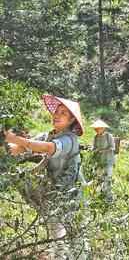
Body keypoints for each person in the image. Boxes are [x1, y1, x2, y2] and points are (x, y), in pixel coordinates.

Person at [4, 94, 87, 259]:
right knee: (56, 227)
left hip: (72, 193)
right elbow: (19, 148)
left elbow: (48, 148)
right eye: (57, 111)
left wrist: (15, 138)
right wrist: (6, 144)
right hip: (55, 192)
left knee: (77, 236)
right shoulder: (48, 134)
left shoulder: (70, 140)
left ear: (71, 121)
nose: (57, 114)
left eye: (63, 113)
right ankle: (61, 256)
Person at [90, 119, 115, 202]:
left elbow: (112, 148)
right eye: (95, 128)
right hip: (99, 161)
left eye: (98, 128)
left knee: (107, 178)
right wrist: (93, 150)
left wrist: (103, 150)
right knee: (99, 178)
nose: (96, 130)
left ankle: (109, 198)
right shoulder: (96, 137)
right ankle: (100, 196)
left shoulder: (109, 136)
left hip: (108, 160)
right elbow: (94, 147)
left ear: (103, 128)